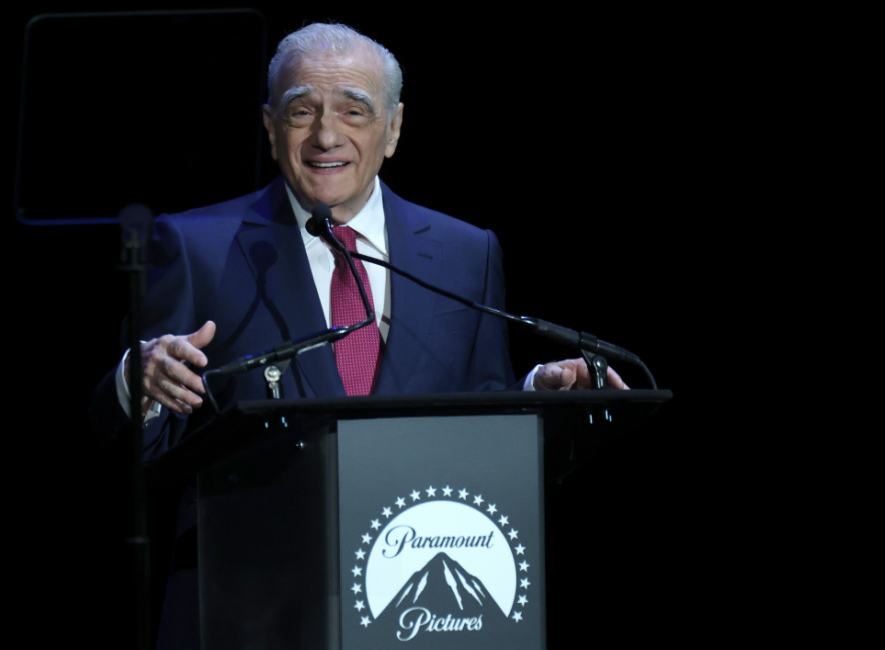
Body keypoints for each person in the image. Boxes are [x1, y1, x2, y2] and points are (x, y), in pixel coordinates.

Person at [91, 22, 625, 648]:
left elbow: (479, 415)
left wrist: (539, 394)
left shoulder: (465, 252)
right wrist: (139, 384)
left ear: (393, 129)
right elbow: (134, 451)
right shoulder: (194, 247)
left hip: (423, 621)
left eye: (353, 110)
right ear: (269, 126)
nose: (326, 135)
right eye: (301, 111)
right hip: (247, 615)